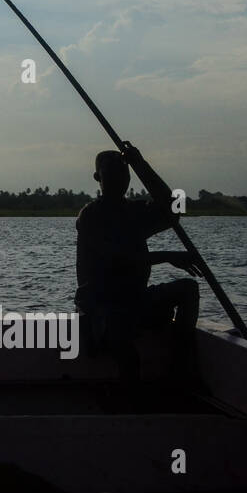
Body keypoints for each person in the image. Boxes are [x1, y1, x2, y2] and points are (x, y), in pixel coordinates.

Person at [75, 142, 201, 378]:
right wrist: (167, 257)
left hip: (134, 299)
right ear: (97, 177)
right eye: (111, 174)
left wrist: (141, 165)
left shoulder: (135, 212)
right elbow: (118, 258)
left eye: (124, 173)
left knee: (188, 289)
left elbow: (175, 208)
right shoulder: (90, 216)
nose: (119, 179)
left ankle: (181, 367)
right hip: (101, 304)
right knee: (128, 357)